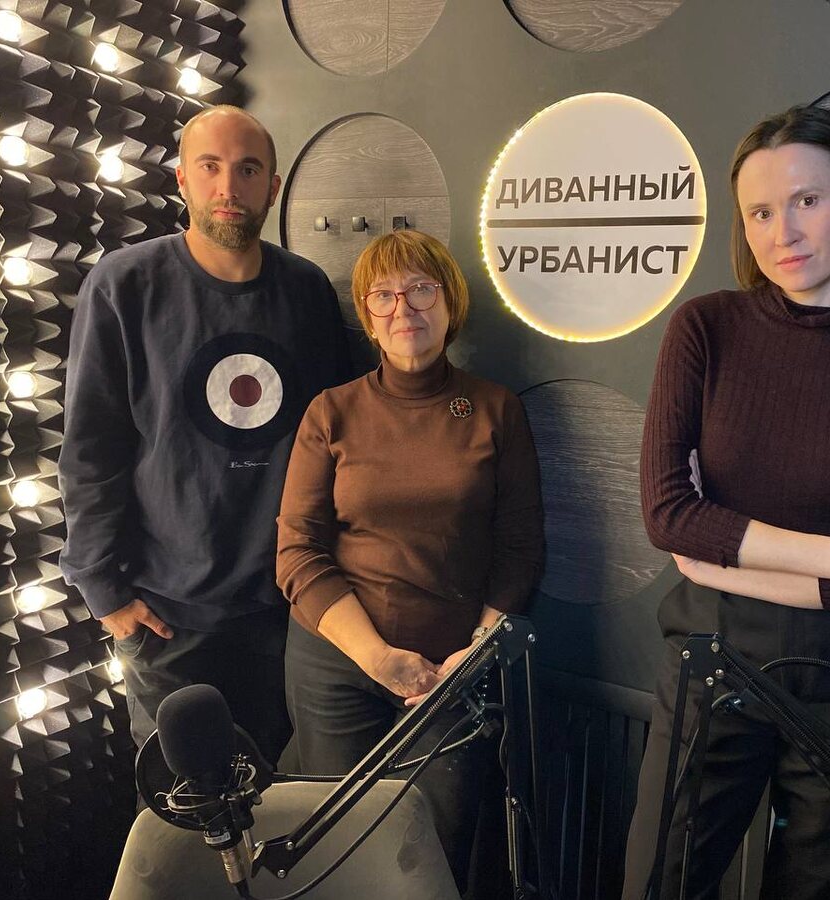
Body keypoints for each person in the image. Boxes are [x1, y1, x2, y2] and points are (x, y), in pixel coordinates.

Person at [622, 105, 830, 900]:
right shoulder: (704, 329)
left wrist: (719, 560)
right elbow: (669, 517)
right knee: (656, 883)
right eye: (761, 212)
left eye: (808, 200)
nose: (784, 232)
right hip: (714, 659)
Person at [59, 105, 351, 764]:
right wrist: (106, 593)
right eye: (210, 167)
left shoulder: (306, 290)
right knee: (187, 807)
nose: (228, 187)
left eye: (247, 170)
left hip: (289, 607)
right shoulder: (124, 285)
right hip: (168, 618)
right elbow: (90, 450)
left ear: (272, 187)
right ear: (182, 180)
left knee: (290, 801)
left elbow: (337, 443)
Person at [275, 229, 544, 888]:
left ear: (450, 303)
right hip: (336, 667)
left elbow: (519, 548)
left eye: (422, 289)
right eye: (384, 295)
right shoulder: (331, 412)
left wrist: (474, 653)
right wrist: (375, 657)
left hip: (449, 674)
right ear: (368, 318)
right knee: (332, 853)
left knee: (430, 856)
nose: (404, 308)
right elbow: (297, 551)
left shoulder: (496, 410)